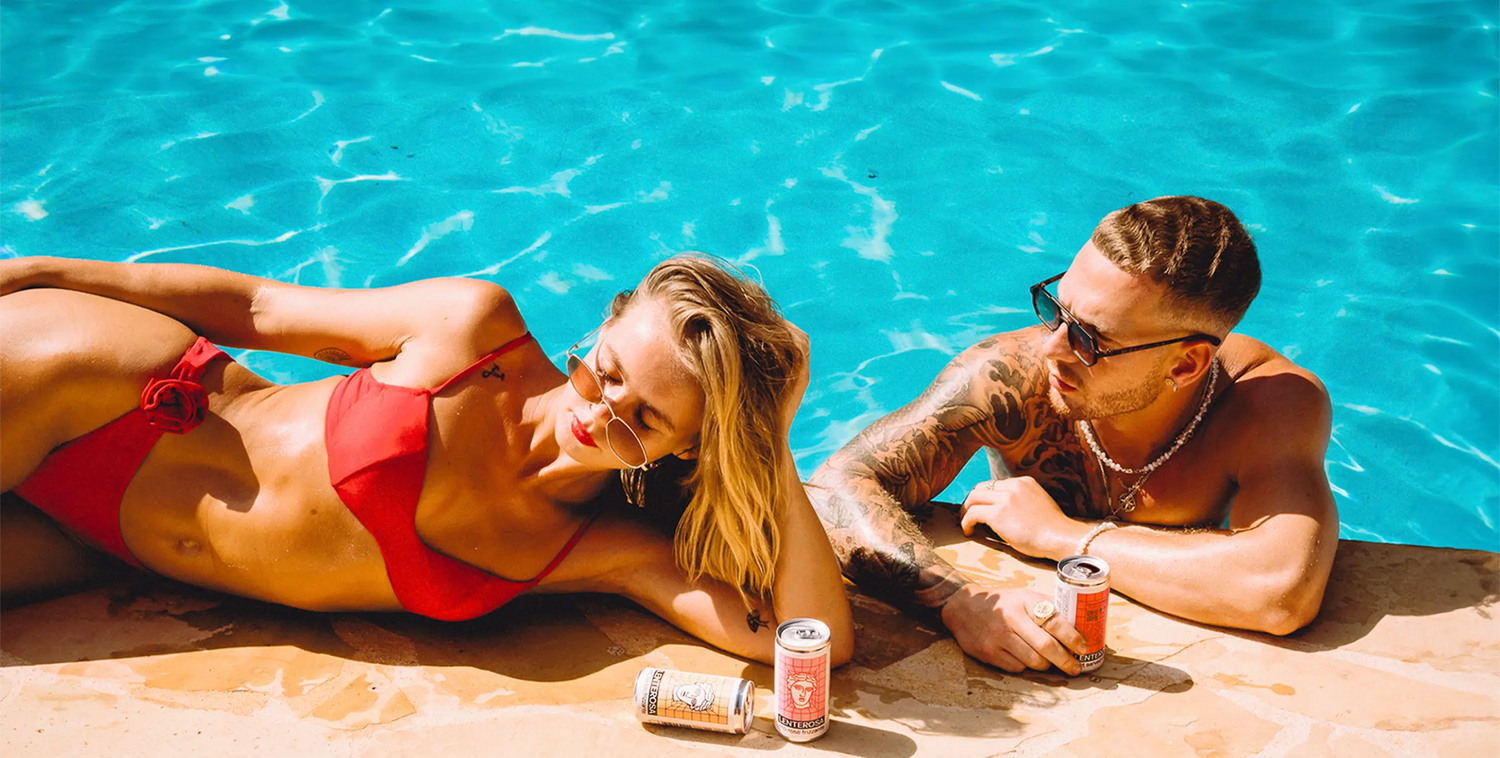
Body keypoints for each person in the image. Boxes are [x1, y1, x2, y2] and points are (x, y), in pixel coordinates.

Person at [0, 252, 853, 666]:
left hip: (100, 543)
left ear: (689, 445)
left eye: (643, 420)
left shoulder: (599, 549)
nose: (596, 411)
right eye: (605, 370)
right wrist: (44, 271)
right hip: (106, 390)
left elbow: (808, 645)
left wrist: (770, 445)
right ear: (602, 326)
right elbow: (254, 306)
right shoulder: (472, 333)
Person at [808, 196, 1337, 675]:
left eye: (1090, 339)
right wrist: (959, 600)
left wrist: (1060, 536)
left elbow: (1281, 590)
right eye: (1057, 311)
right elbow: (833, 488)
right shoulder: (1008, 376)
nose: (1051, 349)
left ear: (1186, 364)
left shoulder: (1263, 403)